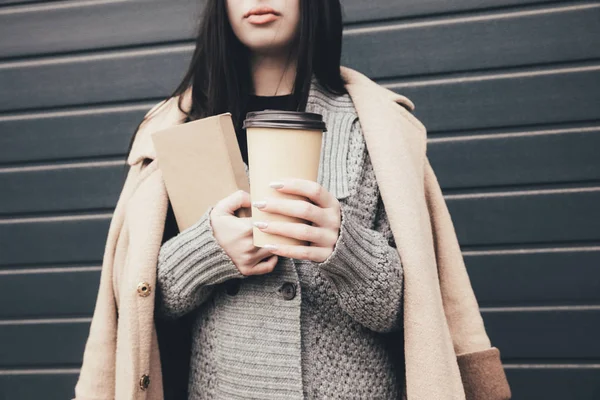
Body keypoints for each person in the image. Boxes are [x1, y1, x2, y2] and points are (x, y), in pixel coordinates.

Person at [73, 0, 511, 399]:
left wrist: (346, 251)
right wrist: (205, 252)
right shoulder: (179, 129)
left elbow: (413, 312)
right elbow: (143, 305)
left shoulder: (376, 128)